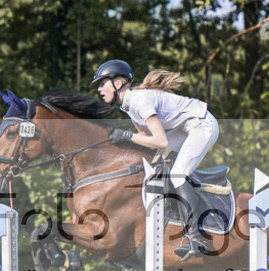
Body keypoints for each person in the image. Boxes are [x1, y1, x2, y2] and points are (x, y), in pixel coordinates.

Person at [92, 59, 219, 260]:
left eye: (102, 83)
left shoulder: (139, 101)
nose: (99, 89)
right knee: (158, 164)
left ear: (118, 83)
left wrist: (126, 137)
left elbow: (160, 141)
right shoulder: (127, 106)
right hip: (186, 127)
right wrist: (123, 141)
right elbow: (146, 140)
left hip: (202, 124)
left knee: (178, 175)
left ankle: (195, 237)